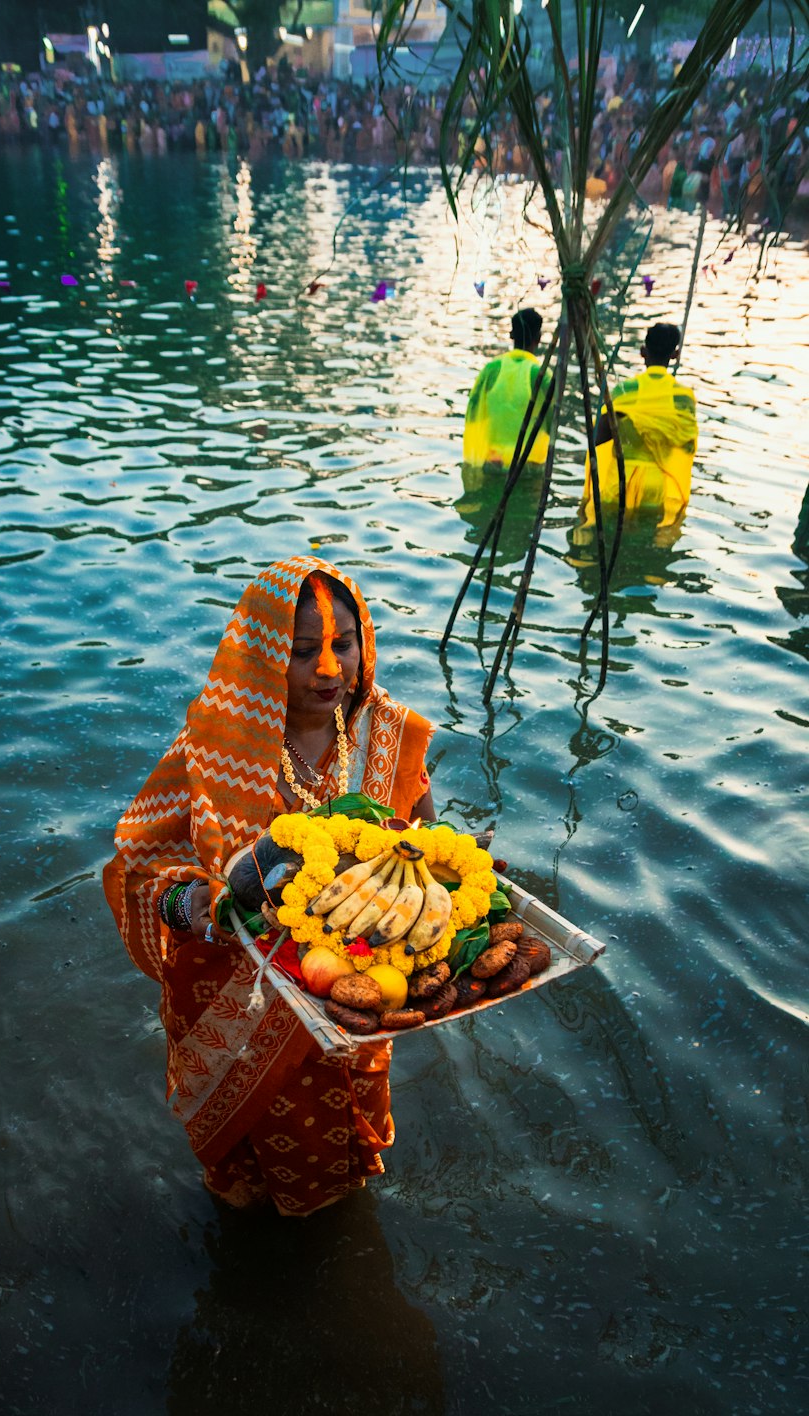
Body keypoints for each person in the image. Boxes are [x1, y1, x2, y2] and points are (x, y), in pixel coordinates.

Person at [103, 556, 435, 1217]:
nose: (330, 669)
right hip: (239, 1000)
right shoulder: (213, 742)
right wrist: (196, 902)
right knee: (246, 1179)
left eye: (344, 644)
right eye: (303, 650)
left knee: (341, 1151)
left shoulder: (388, 734)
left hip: (354, 994)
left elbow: (423, 839)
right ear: (261, 655)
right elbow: (135, 871)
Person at [578, 322, 698, 532]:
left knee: (609, 539)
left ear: (643, 352)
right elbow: (687, 445)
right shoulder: (683, 397)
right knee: (644, 544)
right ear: (675, 355)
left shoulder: (625, 390)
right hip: (655, 486)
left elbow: (597, 437)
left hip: (621, 483)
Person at [462, 307, 553, 471]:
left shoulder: (491, 369)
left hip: (493, 461)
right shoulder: (541, 376)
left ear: (511, 335)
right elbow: (552, 421)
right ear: (538, 338)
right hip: (527, 466)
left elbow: (473, 412)